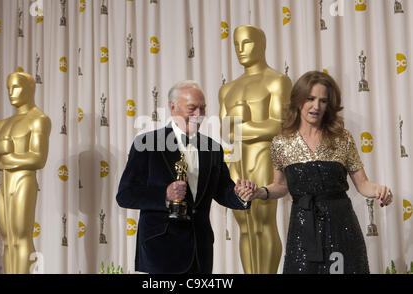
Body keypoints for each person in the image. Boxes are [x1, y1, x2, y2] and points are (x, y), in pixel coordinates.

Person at [237, 71, 393, 274]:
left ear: (329, 105)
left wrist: (380, 190)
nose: (316, 106)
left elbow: (363, 183)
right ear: (298, 100)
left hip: (341, 227)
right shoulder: (281, 143)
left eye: (323, 100)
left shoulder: (342, 139)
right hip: (302, 230)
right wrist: (261, 192)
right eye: (310, 98)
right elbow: (281, 185)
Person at [116, 80, 251, 274]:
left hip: (200, 250)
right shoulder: (146, 142)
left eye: (203, 108)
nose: (198, 115)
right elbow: (125, 195)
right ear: (172, 107)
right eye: (192, 108)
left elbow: (222, 190)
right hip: (161, 250)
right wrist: (165, 194)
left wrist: (241, 194)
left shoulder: (213, 148)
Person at [219, 25, 291, 273]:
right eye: (236, 44)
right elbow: (226, 133)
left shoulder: (277, 80)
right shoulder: (227, 89)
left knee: (263, 221)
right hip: (238, 160)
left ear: (261, 44)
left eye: (246, 43)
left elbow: (279, 125)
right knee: (244, 223)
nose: (240, 50)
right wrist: (245, 127)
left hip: (264, 157)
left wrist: (242, 125)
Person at [0, 72, 51, 274]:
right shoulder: (3, 124)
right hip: (5, 182)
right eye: (9, 87)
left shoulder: (38, 119)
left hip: (24, 181)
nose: (11, 92)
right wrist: (2, 154)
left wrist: (7, 157)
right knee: (7, 239)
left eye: (16, 87)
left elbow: (38, 158)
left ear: (29, 89)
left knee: (22, 236)